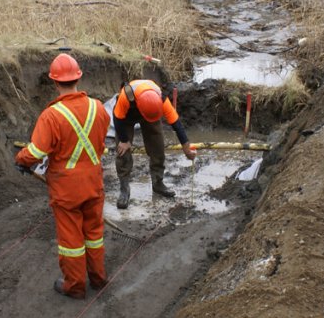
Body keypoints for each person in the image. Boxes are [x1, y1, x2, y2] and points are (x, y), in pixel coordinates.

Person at [15, 53, 110, 299]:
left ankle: (75, 286)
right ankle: (98, 278)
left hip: (66, 189)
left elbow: (36, 151)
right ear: (78, 77)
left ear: (55, 82)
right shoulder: (98, 108)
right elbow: (99, 144)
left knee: (71, 239)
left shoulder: (52, 116)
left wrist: (21, 159)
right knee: (93, 234)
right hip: (93, 182)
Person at [112, 80, 196, 209]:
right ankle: (124, 189)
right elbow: (117, 118)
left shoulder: (161, 100)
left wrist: (187, 149)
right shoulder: (126, 96)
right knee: (122, 151)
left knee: (158, 146)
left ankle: (158, 183)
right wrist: (124, 140)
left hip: (151, 112)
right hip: (126, 116)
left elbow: (177, 124)